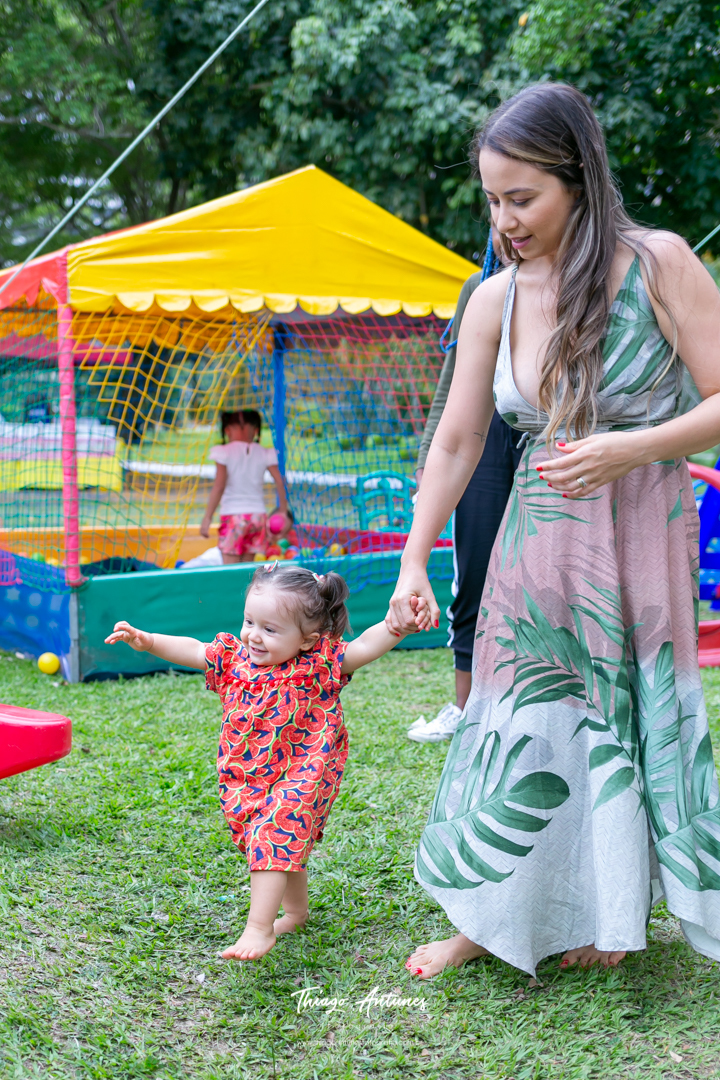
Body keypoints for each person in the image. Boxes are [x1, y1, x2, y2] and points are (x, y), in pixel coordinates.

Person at [387, 82, 720, 979]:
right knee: (519, 721)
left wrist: (631, 447)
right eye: (493, 199)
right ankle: (484, 918)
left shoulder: (660, 264)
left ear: (579, 178)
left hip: (640, 532)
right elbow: (456, 440)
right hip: (536, 544)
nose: (505, 219)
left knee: (619, 722)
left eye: (523, 197)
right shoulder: (494, 298)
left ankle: (610, 920)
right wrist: (415, 557)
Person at [105, 563, 418, 961]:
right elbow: (192, 649)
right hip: (248, 777)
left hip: (305, 770)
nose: (254, 634)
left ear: (307, 639)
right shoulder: (234, 660)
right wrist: (147, 640)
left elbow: (366, 646)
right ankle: (297, 912)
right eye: (250, 621)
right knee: (278, 841)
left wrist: (398, 627)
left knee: (277, 831)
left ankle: (258, 929)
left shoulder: (318, 664)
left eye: (270, 629)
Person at [408, 232, 524, 743]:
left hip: (548, 435)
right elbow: (452, 383)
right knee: (474, 573)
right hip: (482, 437)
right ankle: (466, 710)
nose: (507, 222)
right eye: (496, 205)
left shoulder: (579, 281)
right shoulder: (479, 286)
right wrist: (426, 464)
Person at [200, 409, 289, 564]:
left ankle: (231, 589)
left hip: (234, 517)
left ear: (228, 430)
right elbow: (280, 481)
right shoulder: (264, 452)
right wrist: (283, 510)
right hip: (258, 518)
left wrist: (208, 517)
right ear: (255, 430)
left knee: (229, 570)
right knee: (246, 571)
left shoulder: (224, 452)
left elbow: (219, 486)